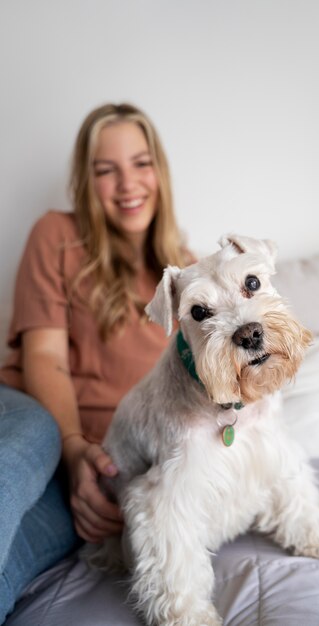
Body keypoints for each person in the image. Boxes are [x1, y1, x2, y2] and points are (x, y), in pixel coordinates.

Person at [0, 102, 191, 622]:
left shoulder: (190, 278)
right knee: (31, 440)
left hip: (98, 474)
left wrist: (97, 472)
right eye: (106, 170)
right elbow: (44, 357)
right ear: (87, 181)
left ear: (160, 171)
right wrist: (72, 447)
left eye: (141, 163)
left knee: (15, 558)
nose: (127, 184)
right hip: (37, 421)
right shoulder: (56, 235)